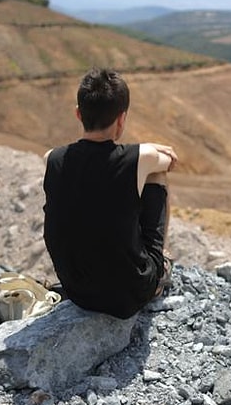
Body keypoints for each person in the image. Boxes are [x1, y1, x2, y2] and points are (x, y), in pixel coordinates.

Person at [42, 68, 178, 319]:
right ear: (121, 118)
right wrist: (149, 147)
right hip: (128, 296)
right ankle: (159, 265)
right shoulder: (138, 158)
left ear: (78, 113)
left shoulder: (52, 159)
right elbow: (168, 160)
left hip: (77, 291)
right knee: (155, 175)